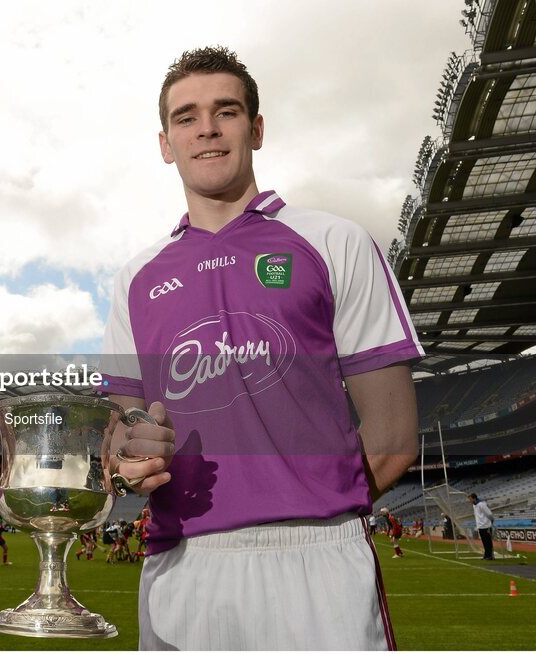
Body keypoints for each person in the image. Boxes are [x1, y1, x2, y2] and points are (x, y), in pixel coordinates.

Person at [100, 47, 421, 650]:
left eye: (226, 111)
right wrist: (130, 457)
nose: (208, 129)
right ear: (166, 142)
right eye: (186, 117)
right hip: (182, 564)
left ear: (257, 128)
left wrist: (307, 508)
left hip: (319, 560)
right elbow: (121, 431)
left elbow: (395, 438)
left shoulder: (334, 241)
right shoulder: (134, 278)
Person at [468, 493, 495, 560]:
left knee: (488, 542)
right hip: (480, 526)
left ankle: (490, 556)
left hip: (486, 526)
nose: (470, 501)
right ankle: (486, 555)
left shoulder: (481, 504)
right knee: (484, 542)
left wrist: (491, 521)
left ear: (474, 498)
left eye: (470, 499)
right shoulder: (474, 505)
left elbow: (489, 513)